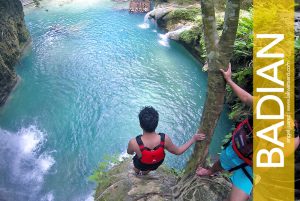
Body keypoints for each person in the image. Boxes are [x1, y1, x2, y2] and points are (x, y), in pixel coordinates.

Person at [196, 64, 300, 201]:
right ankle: (210, 171)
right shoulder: (266, 104)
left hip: (249, 167)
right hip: (239, 147)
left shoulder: (290, 137)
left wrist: (266, 134)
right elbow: (246, 97)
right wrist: (229, 80)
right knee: (221, 163)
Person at [127, 106, 206, 175]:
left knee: (138, 161)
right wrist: (193, 139)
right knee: (148, 165)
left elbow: (130, 152)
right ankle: (144, 174)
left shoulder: (134, 142)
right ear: (156, 123)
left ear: (140, 125)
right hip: (155, 164)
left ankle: (136, 173)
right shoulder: (164, 139)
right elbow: (178, 151)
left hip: (141, 164)